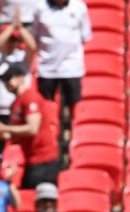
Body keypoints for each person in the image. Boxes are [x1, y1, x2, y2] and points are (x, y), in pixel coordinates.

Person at [0, 63, 60, 188]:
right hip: (31, 160)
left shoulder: (30, 97)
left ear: (21, 77)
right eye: (4, 81)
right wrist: (3, 135)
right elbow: (18, 134)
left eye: (9, 78)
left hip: (44, 160)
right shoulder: (16, 103)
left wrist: (6, 128)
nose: (7, 83)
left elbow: (32, 128)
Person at [31, 0, 91, 130]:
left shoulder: (79, 7)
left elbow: (85, 35)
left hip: (71, 66)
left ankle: (71, 133)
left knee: (73, 104)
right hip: (47, 67)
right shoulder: (40, 8)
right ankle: (50, 132)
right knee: (46, 106)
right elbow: (34, 35)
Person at [0, 14, 37, 149]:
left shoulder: (22, 58)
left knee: (19, 151)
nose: (10, 43)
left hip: (18, 112)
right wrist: (9, 29)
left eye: (13, 40)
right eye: (8, 40)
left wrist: (19, 28)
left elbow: (33, 47)